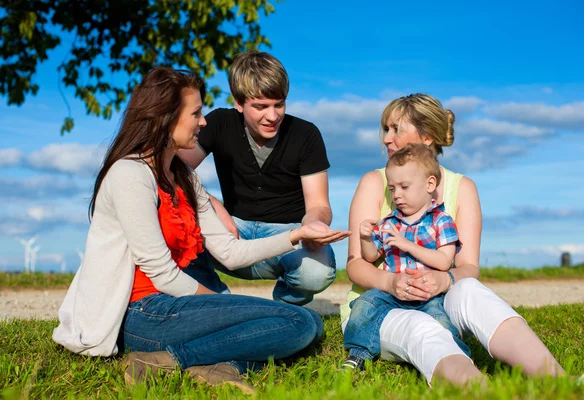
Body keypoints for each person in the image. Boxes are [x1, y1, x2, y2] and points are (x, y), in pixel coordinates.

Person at [52, 67, 349, 393]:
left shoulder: (184, 177)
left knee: (307, 325)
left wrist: (295, 236)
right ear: (166, 118)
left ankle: (220, 365)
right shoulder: (130, 175)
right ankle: (170, 360)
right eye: (195, 113)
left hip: (175, 306)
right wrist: (224, 306)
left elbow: (231, 254)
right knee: (299, 323)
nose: (204, 121)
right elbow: (162, 273)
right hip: (142, 312)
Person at [340, 93, 566, 385]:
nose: (386, 138)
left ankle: (561, 382)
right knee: (423, 327)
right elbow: (356, 263)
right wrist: (390, 283)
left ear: (427, 136)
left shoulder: (463, 188)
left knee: (469, 288)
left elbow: (468, 266)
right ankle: (483, 392)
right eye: (386, 129)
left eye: (397, 129)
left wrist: (444, 280)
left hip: (437, 299)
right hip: (377, 306)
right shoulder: (375, 182)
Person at [178, 50, 345, 306]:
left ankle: (285, 309)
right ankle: (216, 302)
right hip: (234, 230)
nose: (273, 116)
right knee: (176, 222)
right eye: (260, 106)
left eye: (279, 104)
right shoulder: (219, 123)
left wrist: (314, 226)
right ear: (238, 103)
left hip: (288, 234)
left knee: (317, 270)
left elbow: (319, 205)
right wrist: (212, 204)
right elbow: (174, 169)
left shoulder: (306, 134)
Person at [342, 143, 468, 370]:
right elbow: (371, 257)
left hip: (428, 295)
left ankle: (458, 358)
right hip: (393, 292)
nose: (397, 195)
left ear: (430, 184)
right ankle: (358, 353)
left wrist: (407, 245)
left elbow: (444, 261)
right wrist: (366, 238)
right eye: (392, 189)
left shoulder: (441, 220)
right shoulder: (389, 222)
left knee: (441, 324)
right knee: (363, 305)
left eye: (404, 187)